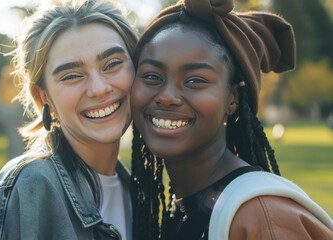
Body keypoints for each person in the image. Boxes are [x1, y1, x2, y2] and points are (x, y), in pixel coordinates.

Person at [130, 0, 333, 239]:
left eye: (195, 80)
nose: (167, 97)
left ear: (233, 99)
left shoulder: (261, 217)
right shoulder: (184, 204)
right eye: (152, 76)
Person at [0, 0, 138, 239]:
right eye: (72, 76)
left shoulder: (134, 189)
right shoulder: (30, 187)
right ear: (43, 97)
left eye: (113, 64)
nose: (98, 89)